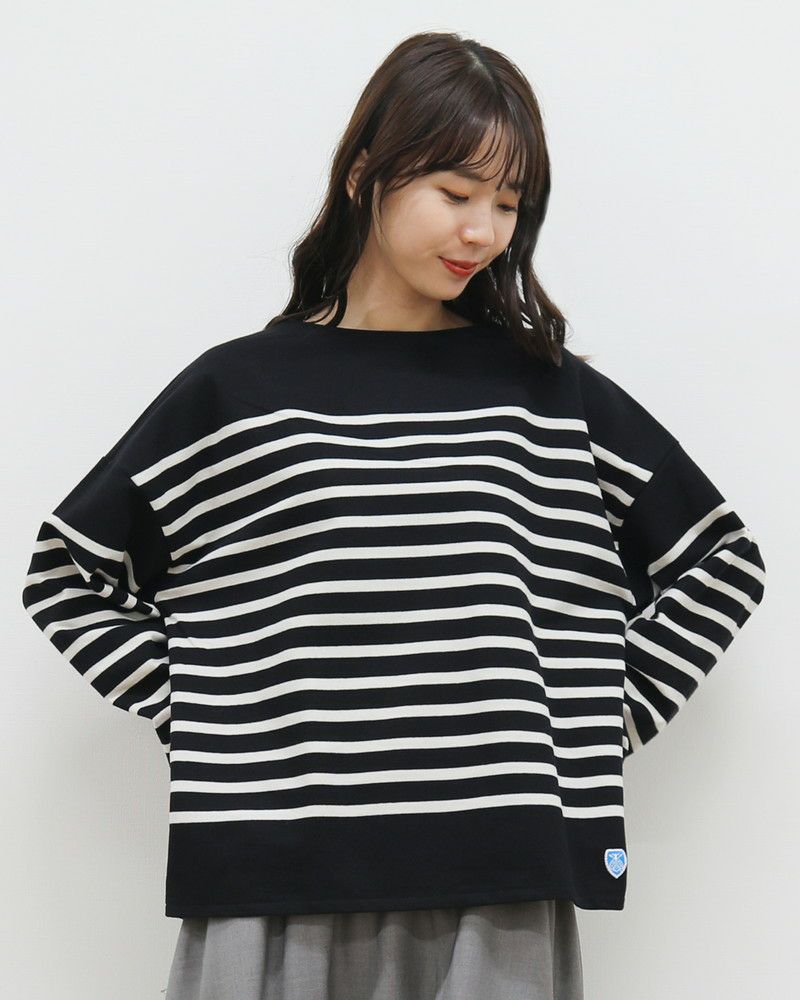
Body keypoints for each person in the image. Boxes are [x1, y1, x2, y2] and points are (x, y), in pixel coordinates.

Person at [21, 31, 766, 1000]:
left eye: (508, 204)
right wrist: (206, 713)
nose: (482, 231)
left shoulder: (545, 398)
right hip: (272, 881)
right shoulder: (239, 392)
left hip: (497, 889)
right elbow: (67, 573)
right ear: (365, 174)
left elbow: (720, 563)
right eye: (456, 193)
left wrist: (588, 723)